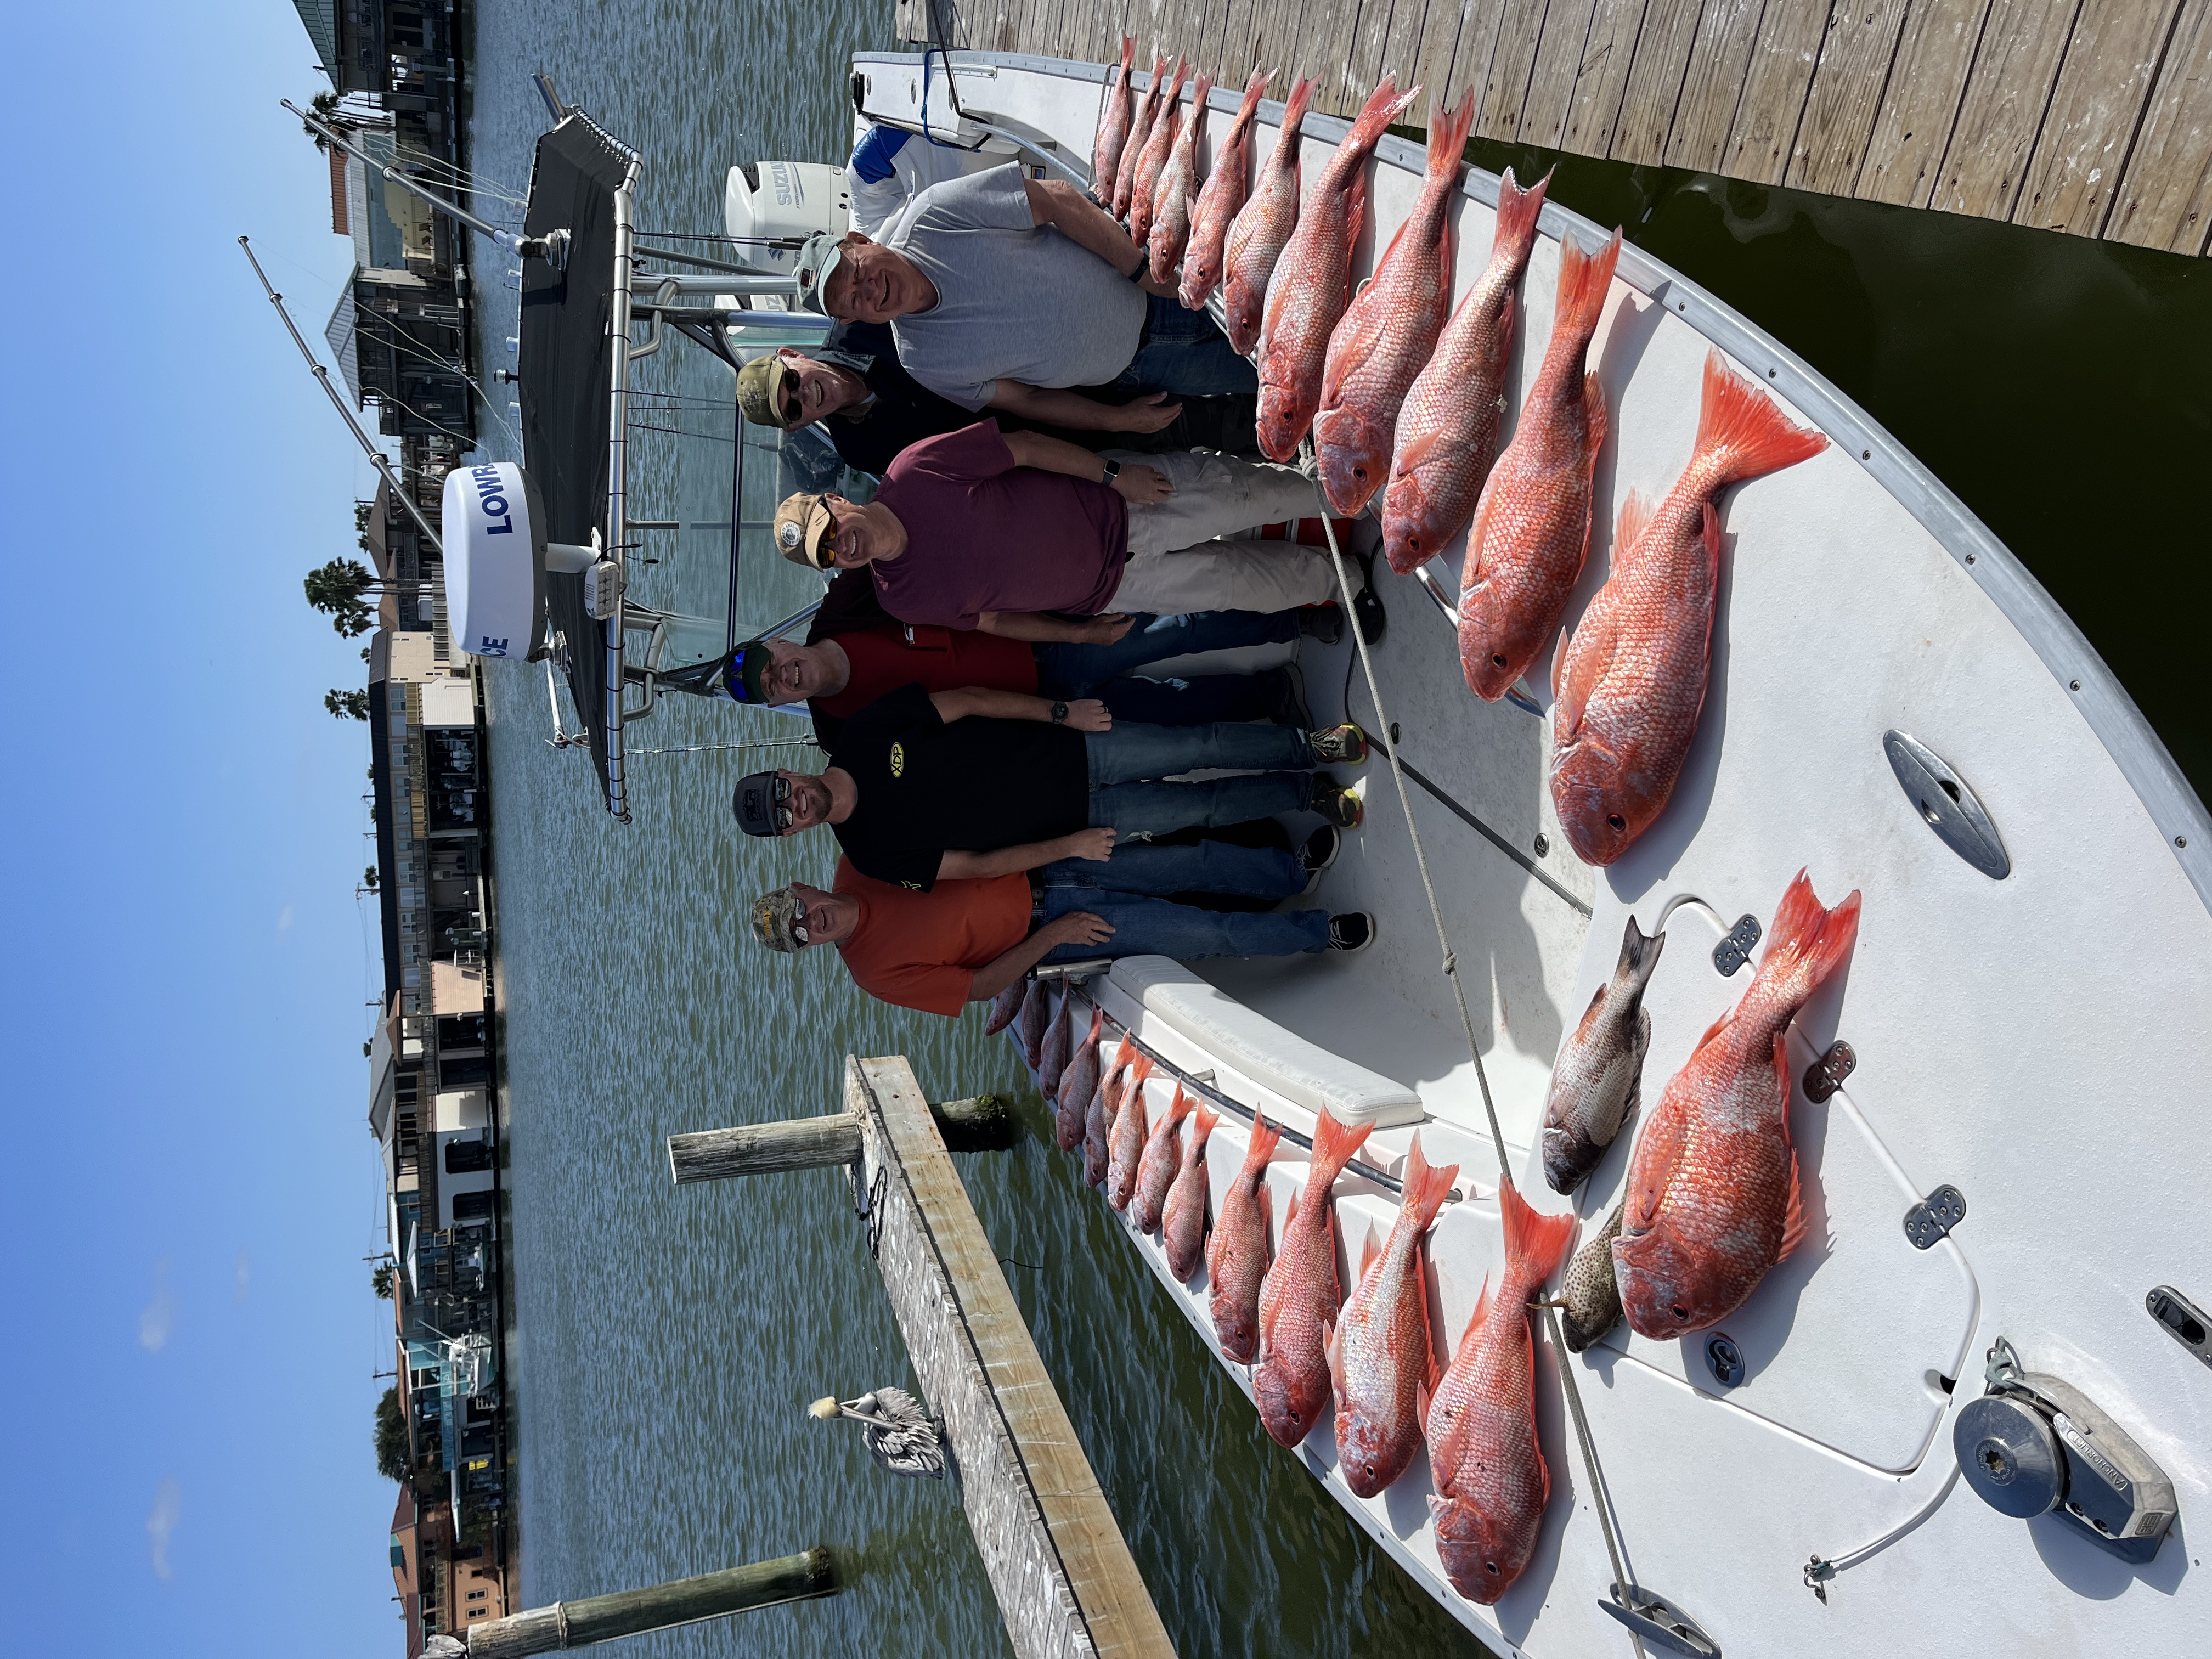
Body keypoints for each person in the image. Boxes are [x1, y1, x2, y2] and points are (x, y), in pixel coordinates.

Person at [731, 682, 1369, 889]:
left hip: (1075, 743)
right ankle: (1307, 796)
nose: (795, 803)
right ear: (793, 832)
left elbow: (973, 701)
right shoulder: (869, 857)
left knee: (1197, 743)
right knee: (1198, 808)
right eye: (784, 816)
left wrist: (1062, 713)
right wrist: (1070, 848)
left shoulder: (863, 733)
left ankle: (1307, 747)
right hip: (1077, 823)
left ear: (786, 772)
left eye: (782, 792)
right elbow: (980, 865)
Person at [773, 419, 1375, 628]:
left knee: (1251, 496)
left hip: (1122, 503)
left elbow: (1028, 447)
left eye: (829, 530)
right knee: (1239, 590)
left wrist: (1116, 476)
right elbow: (992, 621)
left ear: (835, 501)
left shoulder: (914, 470)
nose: (840, 547)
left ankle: (1361, 491)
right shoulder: (899, 600)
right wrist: (1079, 631)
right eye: (827, 556)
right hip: (1110, 592)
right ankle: (1345, 584)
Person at [788, 165, 1255, 424]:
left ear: (862, 241)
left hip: (1157, 280)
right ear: (850, 321)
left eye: (854, 271)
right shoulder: (920, 361)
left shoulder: (931, 216)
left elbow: (1055, 199)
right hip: (1143, 370)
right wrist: (1119, 420)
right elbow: (1026, 401)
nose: (865, 290)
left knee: (1279, 295)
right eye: (850, 300)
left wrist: (1141, 272)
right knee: (1274, 377)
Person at [749, 835, 1374, 1017]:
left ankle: (1290, 870)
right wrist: (1053, 936)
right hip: (1059, 924)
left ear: (801, 888)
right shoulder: (874, 974)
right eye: (800, 936)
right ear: (808, 949)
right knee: (1201, 933)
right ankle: (1319, 932)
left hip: (1054, 856)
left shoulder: (861, 855)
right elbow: (978, 988)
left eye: (798, 912)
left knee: (1193, 859)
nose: (812, 923)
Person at [693, 607, 1330, 748]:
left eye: (771, 662)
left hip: (1048, 646)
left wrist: (1063, 618)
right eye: (772, 687)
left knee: (1176, 633)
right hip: (1038, 721)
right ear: (779, 702)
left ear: (777, 641)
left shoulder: (849, 605)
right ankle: (1270, 694)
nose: (783, 676)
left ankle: (1295, 619)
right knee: (1167, 709)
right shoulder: (842, 733)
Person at [735, 322, 1260, 477]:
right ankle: (1311, 434)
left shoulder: (864, 323)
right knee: (1209, 429)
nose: (804, 394)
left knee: (1220, 357)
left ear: (790, 354)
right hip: (1067, 435)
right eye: (794, 408)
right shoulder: (861, 453)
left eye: (791, 380)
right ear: (798, 427)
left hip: (1067, 354)